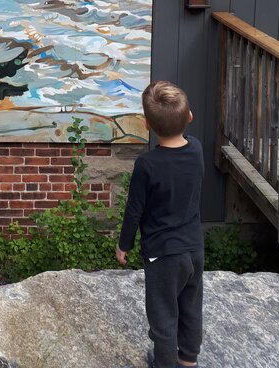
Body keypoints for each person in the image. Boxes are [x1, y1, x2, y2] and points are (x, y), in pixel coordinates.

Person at [116, 81, 204, 368]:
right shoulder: (197, 150)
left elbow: (135, 211)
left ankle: (165, 364)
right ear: (189, 117)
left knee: (163, 316)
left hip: (163, 255)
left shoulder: (147, 165)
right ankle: (188, 361)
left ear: (147, 125)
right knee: (190, 307)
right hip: (193, 249)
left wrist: (124, 244)